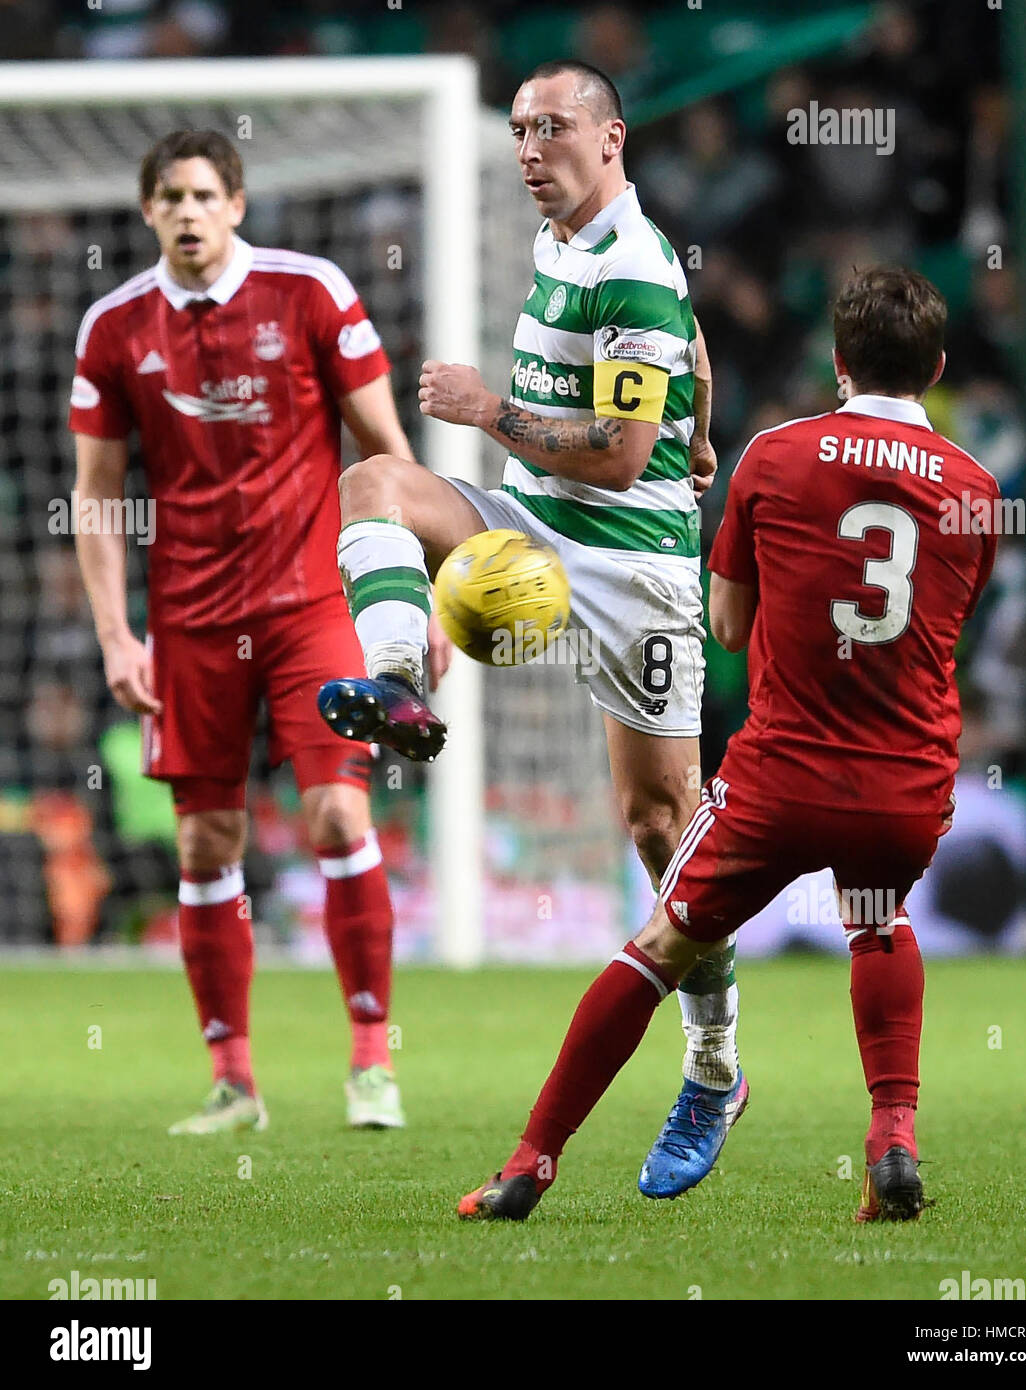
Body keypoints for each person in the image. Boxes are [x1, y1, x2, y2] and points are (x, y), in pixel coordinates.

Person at [457, 266, 998, 1222]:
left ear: (837, 363)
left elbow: (732, 628)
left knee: (658, 948)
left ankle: (530, 1162)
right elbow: (945, 626)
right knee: (877, 920)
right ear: (938, 367)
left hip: (783, 775)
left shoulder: (775, 456)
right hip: (905, 782)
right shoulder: (977, 490)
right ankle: (893, 1137)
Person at [319, 60, 748, 1190]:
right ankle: (401, 679)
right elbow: (695, 353)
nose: (525, 149)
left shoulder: (636, 265)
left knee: (661, 826)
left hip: (635, 567)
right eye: (515, 129)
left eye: (549, 127)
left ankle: (716, 1063)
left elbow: (612, 455)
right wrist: (703, 431)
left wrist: (487, 411)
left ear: (611, 139)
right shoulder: (563, 241)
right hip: (539, 527)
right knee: (376, 486)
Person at [69, 129, 450, 1135]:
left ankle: (373, 1060)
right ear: (148, 213)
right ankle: (235, 1082)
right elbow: (98, 497)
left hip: (311, 603)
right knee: (205, 843)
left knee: (337, 818)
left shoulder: (311, 291)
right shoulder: (114, 329)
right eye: (170, 199)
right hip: (188, 620)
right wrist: (116, 634)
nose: (188, 213)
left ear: (235, 203)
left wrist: (414, 595)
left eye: (204, 194)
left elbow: (385, 452)